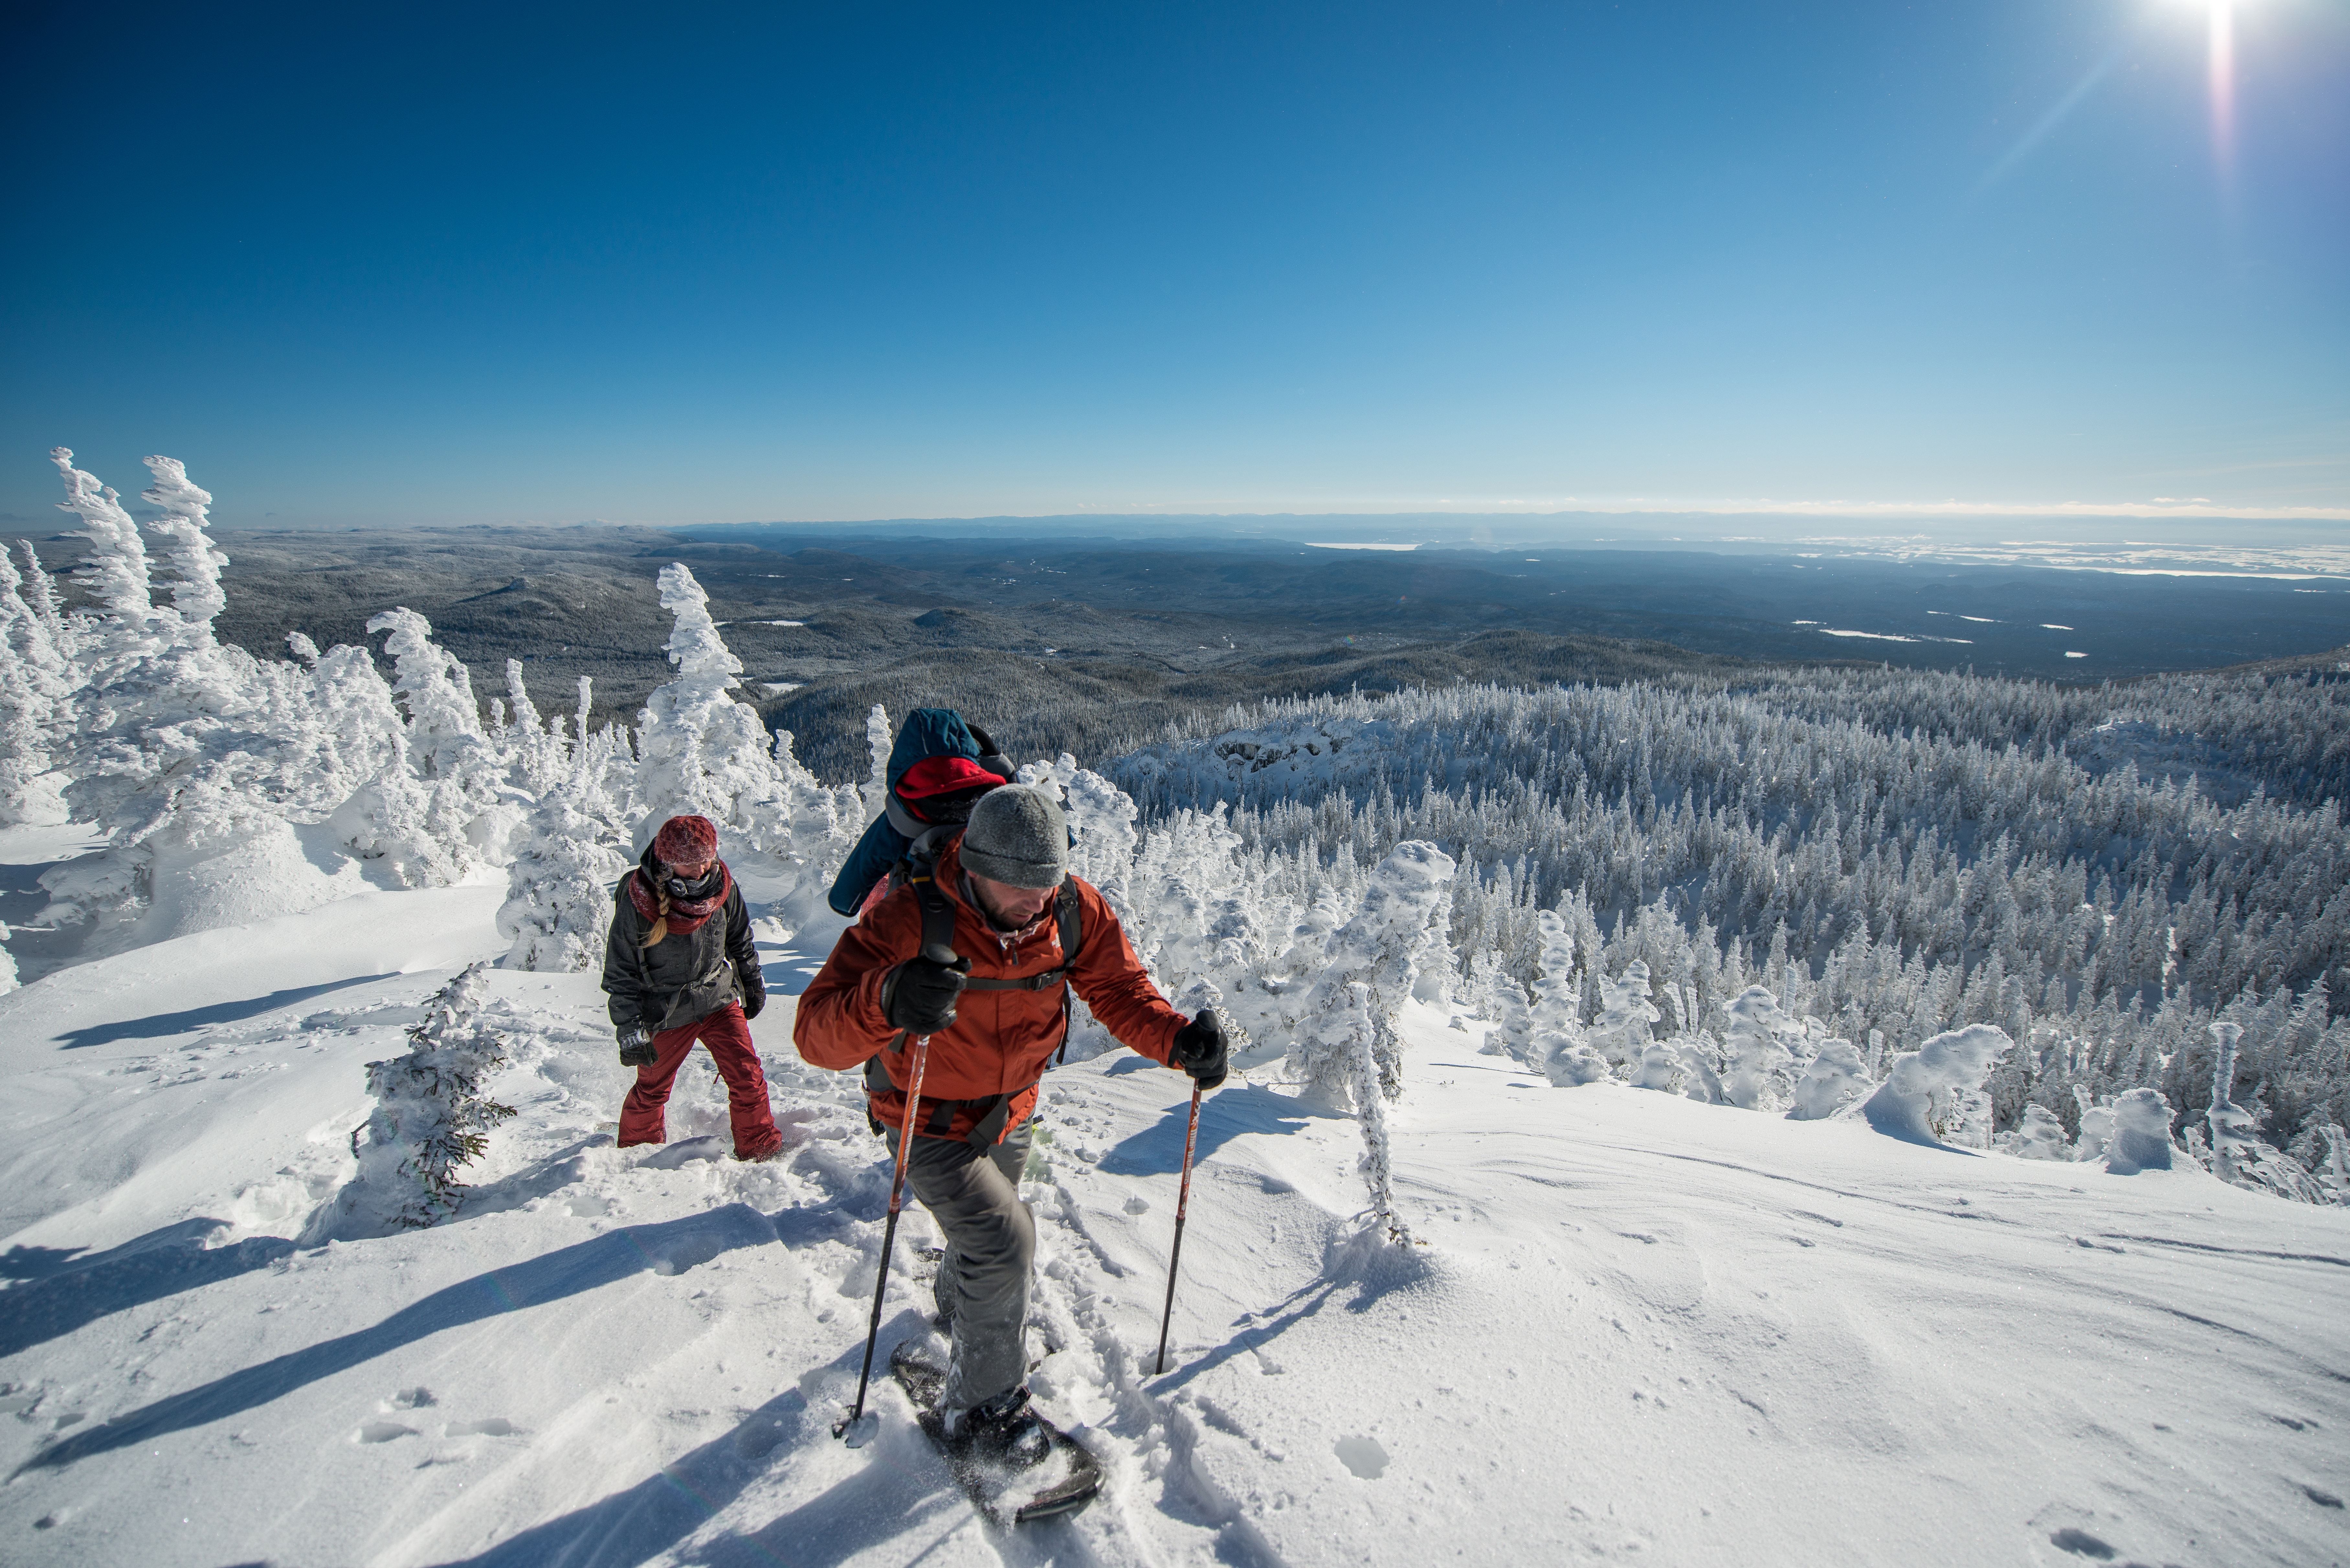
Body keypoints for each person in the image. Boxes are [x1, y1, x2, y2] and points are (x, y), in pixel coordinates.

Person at [795, 783, 1229, 1461]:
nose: (1037, 902)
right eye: (1019, 887)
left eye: (1047, 885)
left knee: (983, 1244)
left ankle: (969, 1313)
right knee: (1003, 1239)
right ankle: (983, 1413)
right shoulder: (910, 919)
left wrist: (1178, 1040)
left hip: (1011, 1111)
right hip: (922, 1117)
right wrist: (888, 997)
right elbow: (814, 1033)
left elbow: (1117, 989)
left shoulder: (1071, 909)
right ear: (972, 866)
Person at [603, 813, 784, 1162]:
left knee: (748, 1076)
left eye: (705, 861)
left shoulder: (722, 885)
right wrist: (629, 1029)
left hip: (716, 998)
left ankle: (760, 1150)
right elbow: (620, 970)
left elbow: (739, 939)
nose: (701, 871)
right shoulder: (638, 897)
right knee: (652, 1089)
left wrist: (752, 981)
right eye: (690, 866)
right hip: (665, 1010)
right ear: (668, 863)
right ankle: (636, 1157)